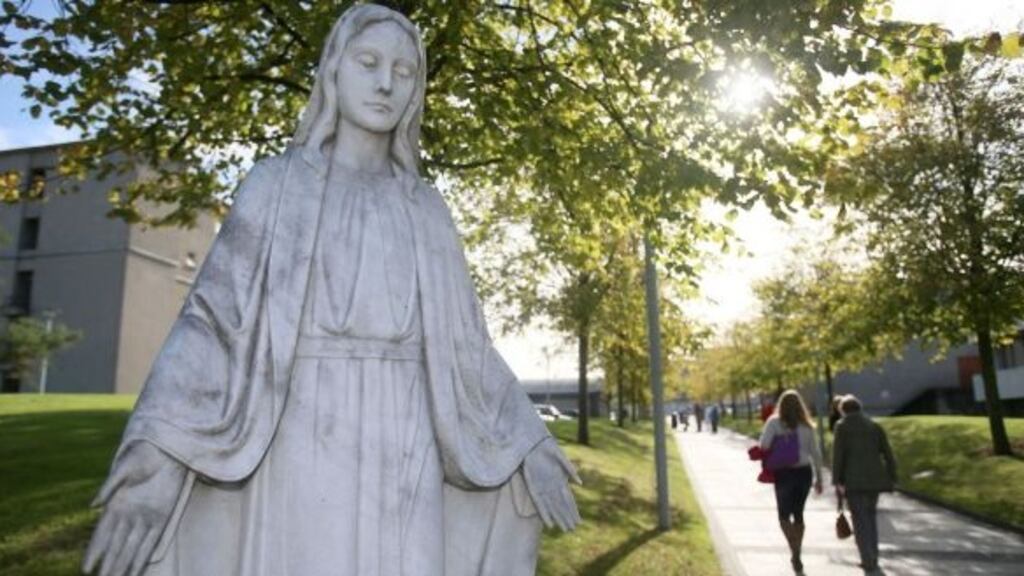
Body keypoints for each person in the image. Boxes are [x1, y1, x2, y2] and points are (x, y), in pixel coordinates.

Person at [82, 6, 579, 576]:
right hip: (300, 429)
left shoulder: (427, 210)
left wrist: (529, 440)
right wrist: (157, 451)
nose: (386, 82)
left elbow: (467, 346)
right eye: (368, 62)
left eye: (404, 70)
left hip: (408, 440)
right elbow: (212, 323)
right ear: (333, 69)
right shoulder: (274, 187)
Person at [759, 390, 824, 575]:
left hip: (783, 473)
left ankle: (794, 549)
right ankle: (797, 552)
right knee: (799, 514)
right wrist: (819, 478)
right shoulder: (807, 425)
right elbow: (816, 453)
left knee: (783, 516)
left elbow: (764, 445)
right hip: (804, 472)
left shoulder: (774, 422)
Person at [832, 394, 897, 574]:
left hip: (853, 481)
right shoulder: (873, 426)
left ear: (843, 410)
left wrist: (836, 480)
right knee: (870, 518)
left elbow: (838, 455)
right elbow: (888, 453)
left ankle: (867, 558)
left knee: (860, 521)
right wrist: (892, 476)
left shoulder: (842, 427)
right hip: (874, 480)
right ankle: (873, 556)